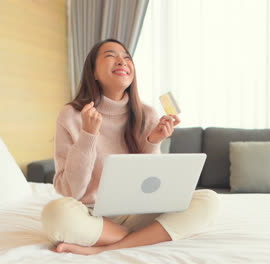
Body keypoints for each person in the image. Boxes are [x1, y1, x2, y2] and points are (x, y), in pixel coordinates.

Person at [41, 39, 220, 255]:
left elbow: (153, 185)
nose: (122, 61)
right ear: (93, 72)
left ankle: (106, 247)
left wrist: (152, 142)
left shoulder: (147, 114)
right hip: (93, 216)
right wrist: (88, 136)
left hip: (139, 212)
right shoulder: (71, 115)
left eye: (127, 57)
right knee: (55, 214)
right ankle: (147, 237)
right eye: (110, 55)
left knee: (208, 200)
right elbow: (73, 191)